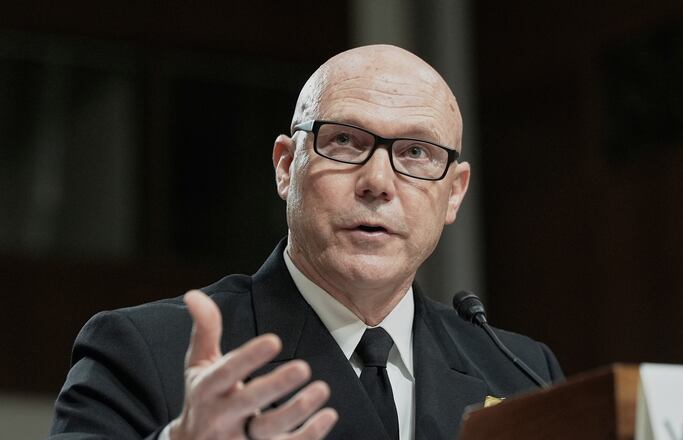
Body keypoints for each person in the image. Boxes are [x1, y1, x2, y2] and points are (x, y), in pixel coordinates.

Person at [49, 44, 563, 440]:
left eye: (416, 152)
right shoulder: (146, 352)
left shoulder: (522, 374)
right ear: (287, 166)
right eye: (344, 141)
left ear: (453, 194)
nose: (378, 182)